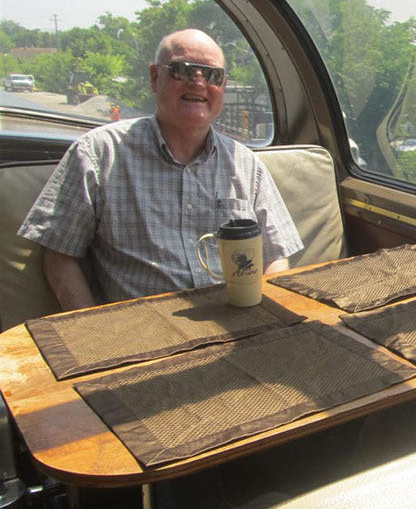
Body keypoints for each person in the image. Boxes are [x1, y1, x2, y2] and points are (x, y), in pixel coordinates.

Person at [18, 29, 303, 309]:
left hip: (236, 327)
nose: (199, 82)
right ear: (156, 77)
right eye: (184, 70)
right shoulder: (98, 153)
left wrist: (267, 323)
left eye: (212, 75)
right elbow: (59, 257)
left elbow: (274, 257)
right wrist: (91, 332)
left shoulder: (246, 164)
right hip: (143, 335)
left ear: (223, 87)